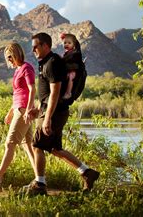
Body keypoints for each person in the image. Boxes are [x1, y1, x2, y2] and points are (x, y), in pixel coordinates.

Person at [26, 32, 99, 195]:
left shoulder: (52, 62)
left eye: (35, 47)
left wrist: (47, 118)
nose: (33, 51)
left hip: (54, 113)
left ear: (45, 45)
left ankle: (40, 184)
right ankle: (88, 173)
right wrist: (38, 109)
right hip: (52, 111)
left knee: (37, 145)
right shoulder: (45, 62)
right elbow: (46, 94)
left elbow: (55, 92)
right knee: (54, 148)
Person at [0, 42, 37, 188]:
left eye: (10, 56)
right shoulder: (17, 70)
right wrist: (10, 112)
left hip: (24, 110)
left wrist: (28, 110)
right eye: (7, 57)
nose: (9, 60)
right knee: (28, 145)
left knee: (10, 143)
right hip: (18, 109)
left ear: (17, 54)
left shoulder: (26, 68)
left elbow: (32, 89)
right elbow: (17, 94)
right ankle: (40, 179)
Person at [60, 33, 83, 100]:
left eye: (69, 43)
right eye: (65, 43)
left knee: (71, 76)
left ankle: (68, 93)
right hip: (68, 69)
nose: (66, 44)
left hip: (73, 71)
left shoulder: (75, 52)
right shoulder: (66, 53)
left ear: (73, 44)